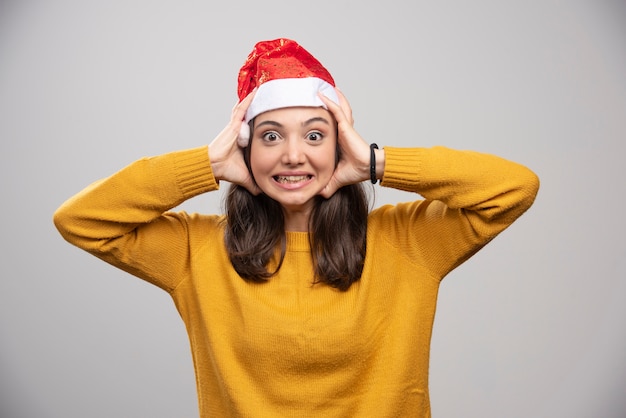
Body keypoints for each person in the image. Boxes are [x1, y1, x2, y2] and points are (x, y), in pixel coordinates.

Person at [53, 38, 540, 417]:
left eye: (314, 135)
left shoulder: (407, 241)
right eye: (270, 136)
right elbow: (80, 220)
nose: (292, 154)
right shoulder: (197, 250)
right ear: (245, 148)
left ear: (339, 146)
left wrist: (376, 163)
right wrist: (206, 165)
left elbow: (513, 187)